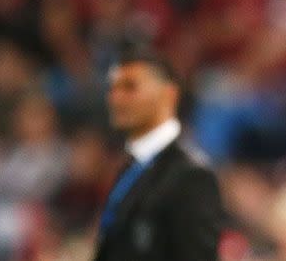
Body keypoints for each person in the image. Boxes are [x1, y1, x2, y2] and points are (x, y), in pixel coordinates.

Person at [93, 46, 223, 261]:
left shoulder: (191, 176)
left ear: (169, 95)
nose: (116, 98)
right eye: (112, 88)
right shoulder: (130, 169)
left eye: (130, 87)